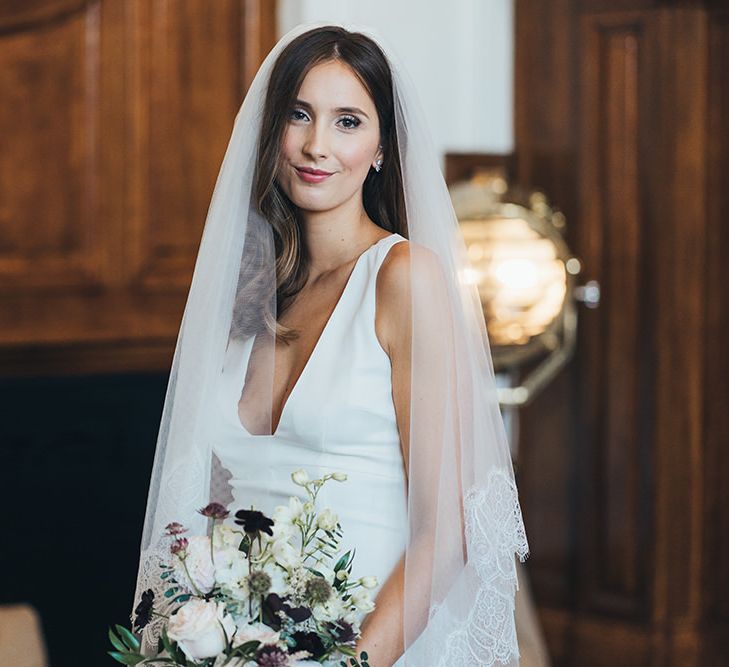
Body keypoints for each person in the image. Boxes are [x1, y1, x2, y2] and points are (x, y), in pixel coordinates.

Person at [131, 21, 529, 666]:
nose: (317, 145)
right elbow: (205, 517)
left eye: (348, 121)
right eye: (299, 115)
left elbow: (448, 531)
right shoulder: (246, 294)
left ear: (380, 148)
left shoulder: (404, 279)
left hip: (375, 652)